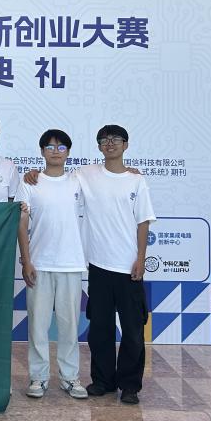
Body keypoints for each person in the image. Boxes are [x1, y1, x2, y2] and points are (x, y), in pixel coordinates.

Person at [78, 125, 155, 405]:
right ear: (99, 146)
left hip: (128, 267)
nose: (109, 144)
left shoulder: (136, 180)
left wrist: (141, 259)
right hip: (98, 265)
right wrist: (33, 174)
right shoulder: (85, 175)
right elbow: (57, 180)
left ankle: (130, 385)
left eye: (115, 139)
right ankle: (103, 381)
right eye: (104, 140)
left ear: (126, 145)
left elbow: (143, 221)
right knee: (100, 329)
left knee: (133, 330)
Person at [14, 129, 88, 400]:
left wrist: (132, 172)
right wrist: (26, 261)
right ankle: (39, 377)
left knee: (70, 326)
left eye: (61, 147)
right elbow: (21, 223)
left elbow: (108, 178)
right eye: (50, 147)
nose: (55, 151)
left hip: (71, 264)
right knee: (38, 325)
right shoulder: (30, 183)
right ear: (42, 151)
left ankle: (70, 377)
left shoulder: (79, 180)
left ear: (68, 152)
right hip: (40, 264)